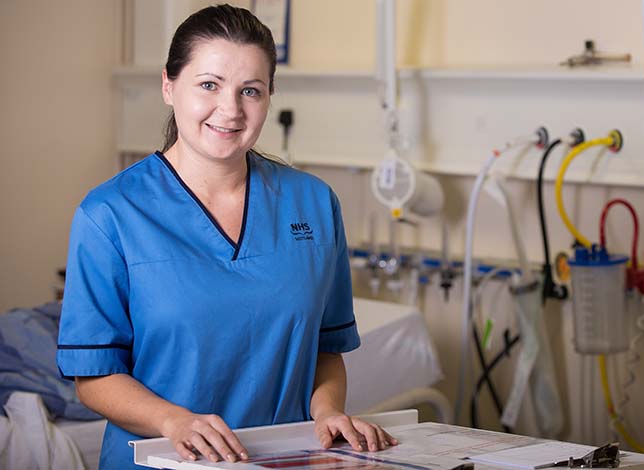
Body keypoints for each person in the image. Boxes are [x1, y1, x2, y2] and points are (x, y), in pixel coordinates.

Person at [57, 5, 396, 468]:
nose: (231, 110)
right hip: (160, 461)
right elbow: (94, 376)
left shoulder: (314, 204)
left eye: (250, 91)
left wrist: (328, 411)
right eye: (209, 85)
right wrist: (173, 421)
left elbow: (325, 348)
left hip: (284, 459)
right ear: (168, 86)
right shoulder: (110, 214)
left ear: (269, 95)